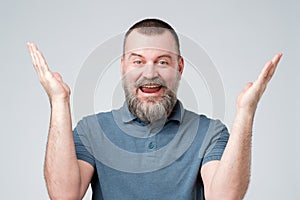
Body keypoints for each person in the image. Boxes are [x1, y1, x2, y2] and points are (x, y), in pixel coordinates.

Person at [27, 18, 282, 200]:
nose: (150, 73)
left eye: (162, 62)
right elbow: (63, 195)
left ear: (179, 67)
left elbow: (225, 197)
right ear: (124, 66)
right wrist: (59, 101)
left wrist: (246, 112)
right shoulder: (92, 130)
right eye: (138, 61)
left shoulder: (210, 132)